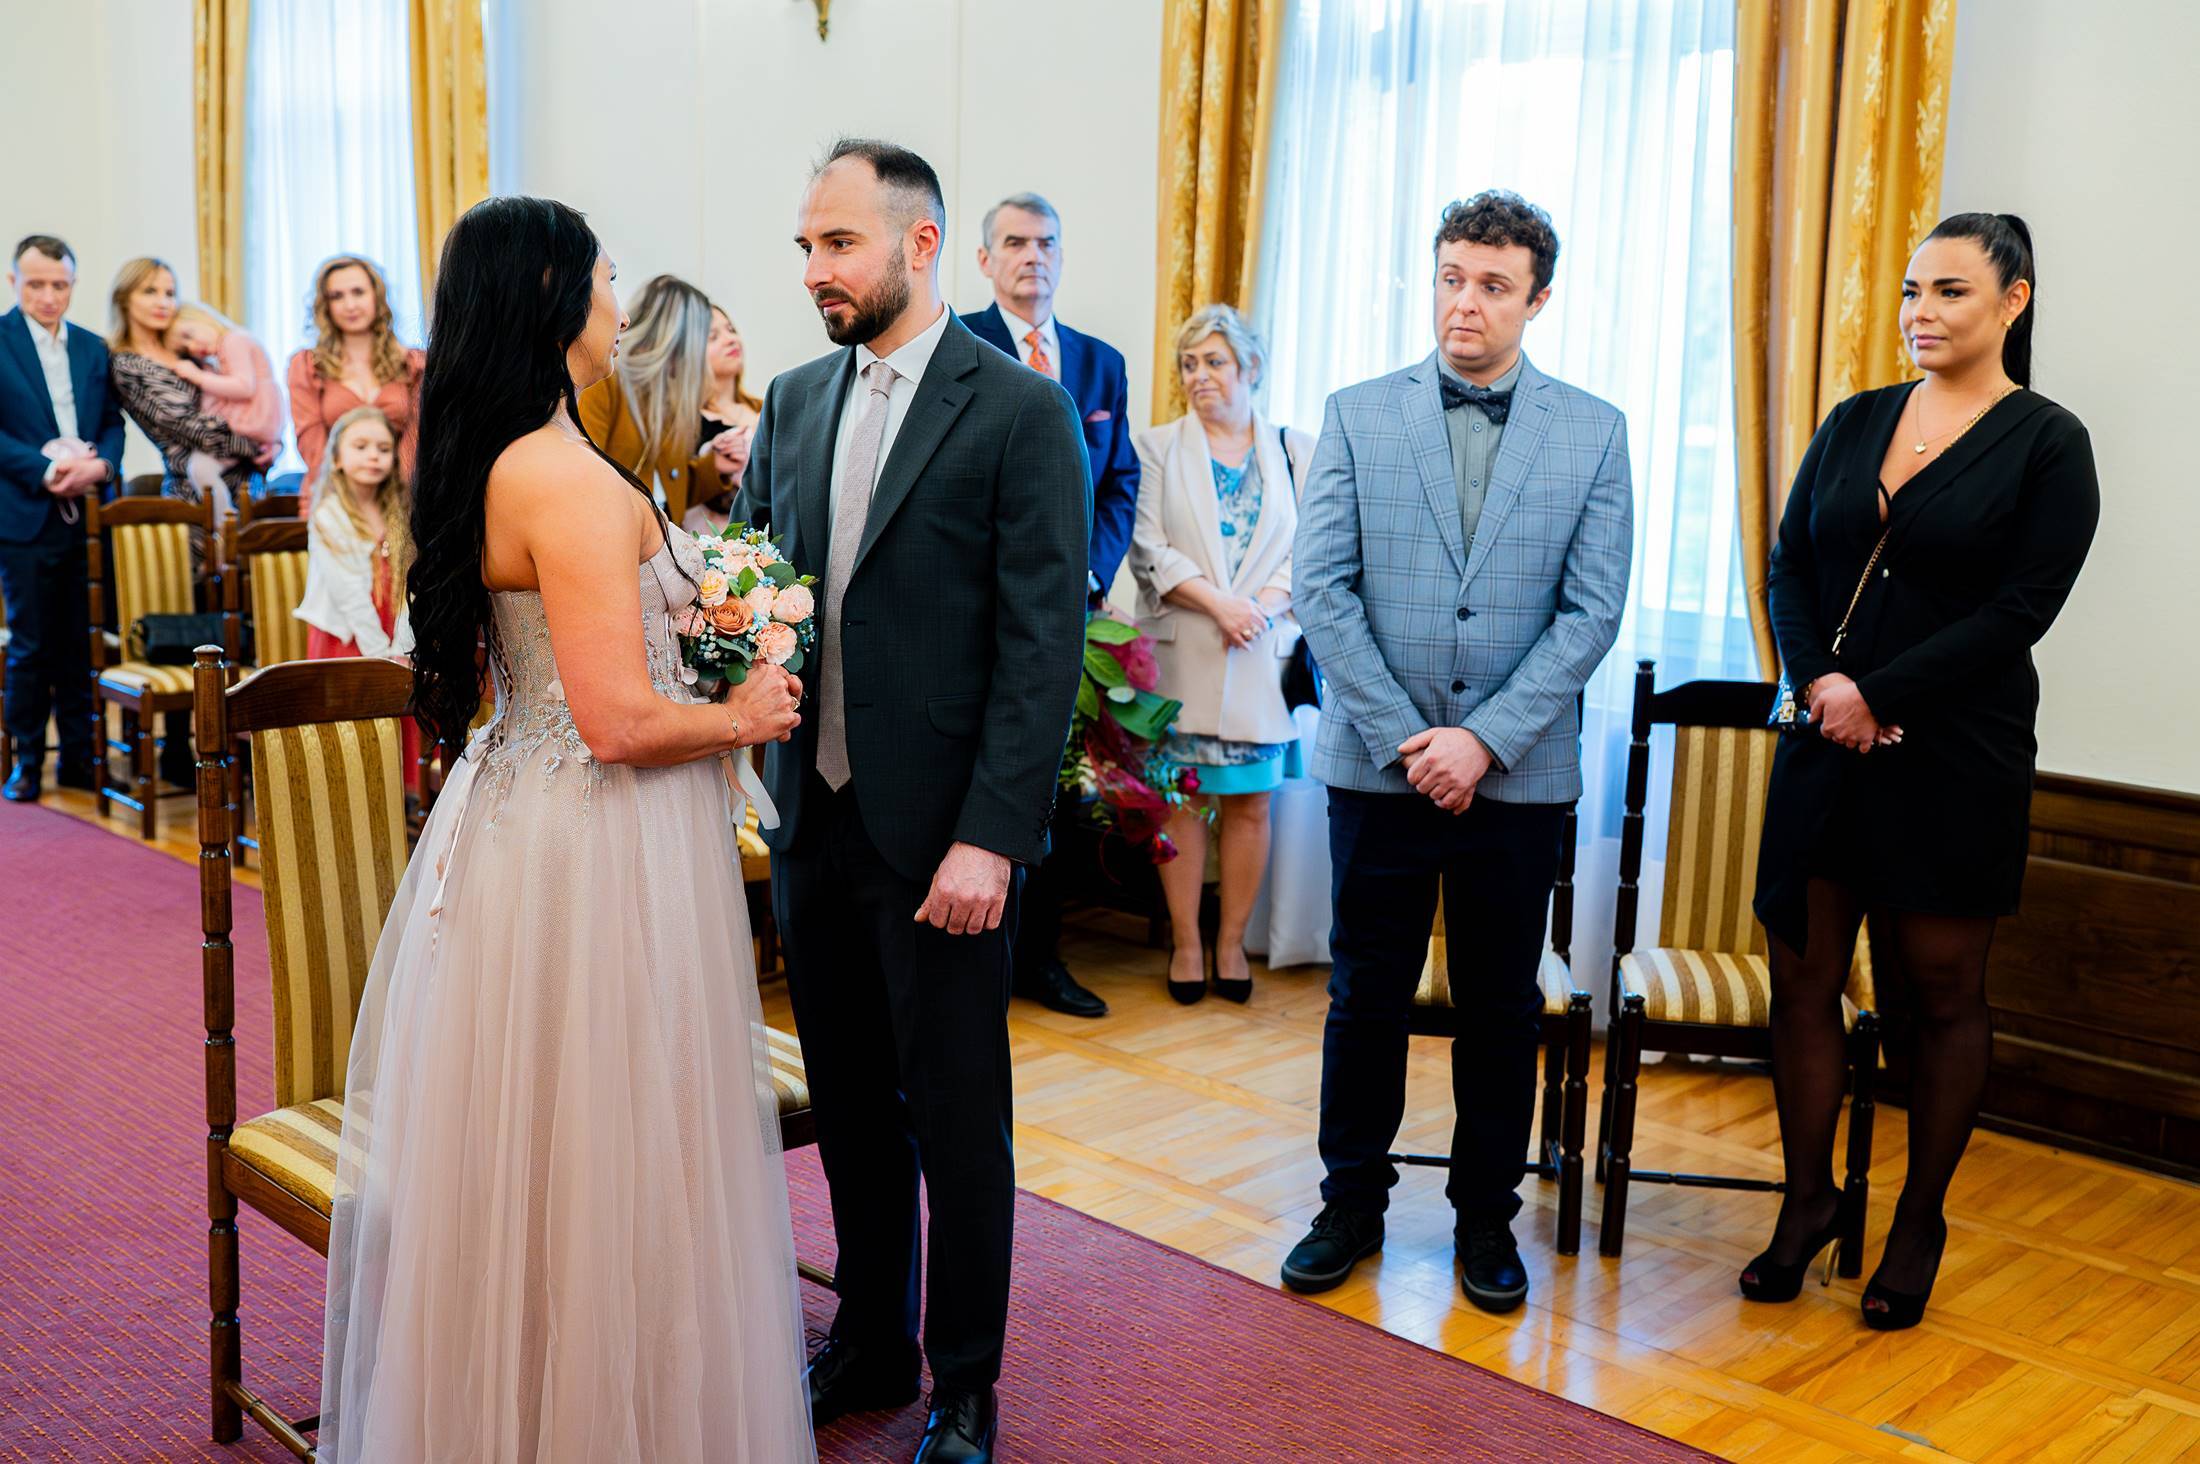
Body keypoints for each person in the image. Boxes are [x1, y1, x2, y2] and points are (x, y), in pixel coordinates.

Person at [317, 196, 814, 1462]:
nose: (618, 300)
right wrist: (746, 710)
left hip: (532, 825)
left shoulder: (515, 456)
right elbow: (617, 722)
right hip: (597, 842)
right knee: (608, 1144)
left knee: (549, 1151)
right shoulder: (564, 480)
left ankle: (535, 1403)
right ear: (551, 299)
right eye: (604, 277)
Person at [736, 139, 1088, 1464]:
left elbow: (1042, 645)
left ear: (919, 243)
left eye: (839, 244)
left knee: (955, 1122)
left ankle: (967, 1383)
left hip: (946, 840)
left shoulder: (1018, 411)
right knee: (850, 1108)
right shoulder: (792, 401)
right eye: (806, 247)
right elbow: (758, 585)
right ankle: (873, 1338)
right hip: (813, 825)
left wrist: (991, 837)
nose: (814, 271)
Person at [1747, 213, 2098, 1331]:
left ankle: (1917, 1220)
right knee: (1803, 979)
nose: (1921, 312)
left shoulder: (2049, 441)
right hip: (1823, 743)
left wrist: (1879, 694)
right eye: (1911, 290)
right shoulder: (1855, 420)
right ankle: (1807, 1201)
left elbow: (2020, 610)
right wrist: (1821, 685)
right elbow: (1788, 566)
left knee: (1939, 999)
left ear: (2012, 301)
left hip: (1954, 757)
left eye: (1950, 291)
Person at [1282, 192, 1631, 1315]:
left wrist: (1482, 741)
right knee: (1364, 999)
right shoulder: (1356, 413)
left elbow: (1591, 612)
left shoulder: (1595, 431)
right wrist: (1409, 738)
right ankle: (1349, 1205)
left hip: (1518, 778)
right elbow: (1321, 590)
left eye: (1491, 284)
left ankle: (1487, 1218)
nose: (1464, 302)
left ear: (1538, 298)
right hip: (1376, 770)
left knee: (1499, 1007)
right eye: (1449, 278)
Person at [963, 191, 1140, 1019]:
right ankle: (979, 961)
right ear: (984, 260)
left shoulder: (1101, 363)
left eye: (1046, 243)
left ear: (1062, 257)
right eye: (1015, 243)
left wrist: (1089, 574)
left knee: (1059, 792)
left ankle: (1042, 958)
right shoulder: (960, 346)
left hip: (1074, 614)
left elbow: (1120, 481)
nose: (1033, 256)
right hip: (980, 612)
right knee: (985, 782)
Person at [1128, 304, 1310, 1004]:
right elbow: (1148, 546)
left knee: (1251, 806)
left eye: (1214, 362)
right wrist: (1221, 605)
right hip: (1184, 651)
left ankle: (1231, 945)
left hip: (1262, 651)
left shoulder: (1297, 449)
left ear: (1250, 368)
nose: (1199, 375)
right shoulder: (1155, 448)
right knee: (1182, 803)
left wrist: (1258, 607)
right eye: (1189, 364)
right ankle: (1185, 944)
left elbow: (1313, 548)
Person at [0, 235, 124, 803]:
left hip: (87, 517)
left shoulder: (93, 348)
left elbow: (112, 422)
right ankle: (27, 761)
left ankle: (79, 758)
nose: (49, 296)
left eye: (60, 285)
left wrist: (101, 465)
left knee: (81, 643)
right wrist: (45, 470)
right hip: (24, 514)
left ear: (73, 284)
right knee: (31, 644)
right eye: (36, 285)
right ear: (14, 283)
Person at [577, 274, 741, 528]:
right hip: (612, 535)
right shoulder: (604, 381)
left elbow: (669, 490)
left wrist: (713, 466)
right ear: (679, 338)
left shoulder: (668, 393)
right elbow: (584, 477)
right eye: (707, 337)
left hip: (654, 538)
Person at [108, 257, 272, 509]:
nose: (164, 303)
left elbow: (242, 398)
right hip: (196, 500)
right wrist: (260, 444)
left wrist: (274, 442)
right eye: (150, 291)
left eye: (170, 293)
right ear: (124, 298)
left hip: (250, 489)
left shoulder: (188, 353)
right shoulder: (128, 365)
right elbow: (197, 429)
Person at [286, 254, 425, 503]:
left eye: (358, 292)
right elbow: (311, 444)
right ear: (325, 305)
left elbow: (417, 437)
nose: (349, 305)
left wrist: (392, 498)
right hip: (332, 498)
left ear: (377, 297)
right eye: (337, 296)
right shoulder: (307, 366)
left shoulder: (414, 364)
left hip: (404, 499)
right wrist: (351, 501)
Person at [166, 302, 282, 518]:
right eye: (185, 348)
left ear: (204, 317)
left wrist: (198, 377)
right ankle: (226, 520)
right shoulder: (218, 357)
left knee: (199, 468)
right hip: (251, 428)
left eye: (189, 335)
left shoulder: (234, 340)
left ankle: (225, 522)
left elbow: (244, 386)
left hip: (250, 422)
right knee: (200, 468)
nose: (192, 347)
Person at [684, 304, 765, 536]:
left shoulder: (766, 408)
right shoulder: (684, 422)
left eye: (731, 330)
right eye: (713, 337)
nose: (731, 340)